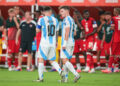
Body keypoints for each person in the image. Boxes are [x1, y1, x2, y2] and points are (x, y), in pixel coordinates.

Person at [35, 6, 62, 82]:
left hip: (44, 43)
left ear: (44, 12)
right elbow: (56, 32)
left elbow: (37, 30)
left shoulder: (41, 19)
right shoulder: (55, 20)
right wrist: (56, 41)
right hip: (53, 43)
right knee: (52, 60)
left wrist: (38, 26)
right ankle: (60, 71)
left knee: (40, 59)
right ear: (50, 11)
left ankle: (40, 78)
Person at [59, 6, 80, 83]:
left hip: (66, 43)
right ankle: (65, 79)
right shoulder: (72, 20)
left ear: (67, 11)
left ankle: (76, 74)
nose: (60, 13)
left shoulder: (67, 19)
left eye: (62, 11)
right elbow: (74, 32)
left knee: (64, 60)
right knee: (66, 61)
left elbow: (67, 32)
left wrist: (64, 43)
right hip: (71, 42)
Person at [102, 8, 120, 73]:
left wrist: (110, 29)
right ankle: (116, 68)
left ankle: (109, 68)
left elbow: (112, 28)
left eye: (114, 11)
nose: (113, 12)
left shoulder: (114, 18)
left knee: (112, 53)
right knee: (118, 53)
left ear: (116, 12)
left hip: (116, 38)